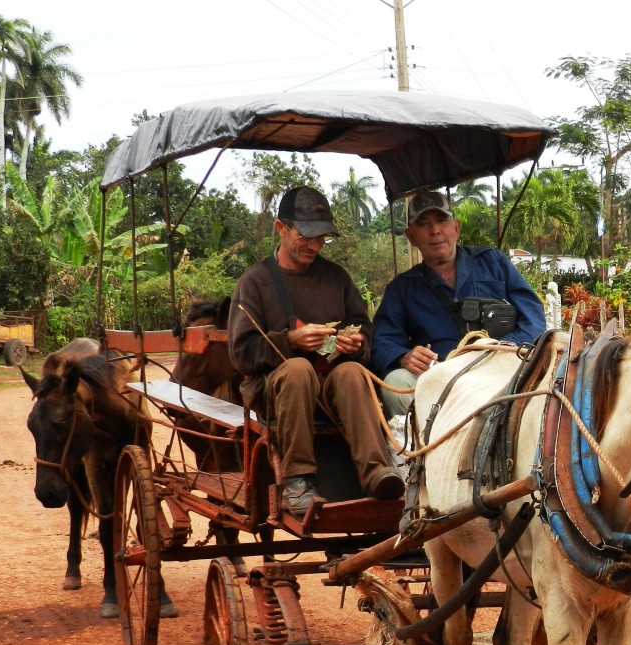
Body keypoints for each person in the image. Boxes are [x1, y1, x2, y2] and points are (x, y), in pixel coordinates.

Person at [229, 186, 404, 516]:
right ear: (281, 229)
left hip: (332, 384)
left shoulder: (336, 278)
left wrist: (357, 343)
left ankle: (378, 472)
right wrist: (290, 342)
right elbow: (241, 354)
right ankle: (297, 481)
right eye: (306, 236)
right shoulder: (254, 282)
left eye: (321, 237)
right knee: (298, 370)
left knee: (353, 372)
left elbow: (364, 328)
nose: (315, 245)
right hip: (275, 388)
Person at [370, 189, 547, 417]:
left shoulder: (493, 262)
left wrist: (503, 349)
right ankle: (424, 450)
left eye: (442, 220)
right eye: (423, 224)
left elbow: (533, 317)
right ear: (411, 237)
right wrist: (404, 356)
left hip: (500, 370)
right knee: (396, 383)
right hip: (438, 379)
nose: (435, 231)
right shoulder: (402, 288)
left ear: (456, 228)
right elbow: (382, 340)